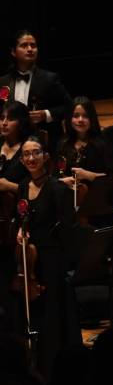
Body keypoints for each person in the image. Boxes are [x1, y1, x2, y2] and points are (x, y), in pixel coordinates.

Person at [16, 136, 81, 382]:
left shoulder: (57, 188)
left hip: (52, 259)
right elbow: (20, 218)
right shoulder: (23, 186)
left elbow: (67, 228)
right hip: (30, 259)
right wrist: (20, 230)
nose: (31, 158)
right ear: (22, 160)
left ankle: (56, 370)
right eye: (26, 155)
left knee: (53, 315)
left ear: (45, 157)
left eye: (36, 153)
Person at [0, 29, 72, 149]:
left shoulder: (50, 79)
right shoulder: (3, 82)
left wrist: (46, 114)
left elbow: (70, 106)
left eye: (33, 45)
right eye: (24, 45)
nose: (30, 49)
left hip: (43, 143)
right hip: (10, 143)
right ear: (13, 52)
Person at [56, 96, 113, 227]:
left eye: (85, 116)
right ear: (69, 119)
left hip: (97, 210)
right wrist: (62, 181)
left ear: (92, 119)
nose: (80, 120)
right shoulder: (63, 144)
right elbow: (54, 177)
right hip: (68, 208)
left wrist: (89, 176)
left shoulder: (103, 144)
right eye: (76, 116)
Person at [0, 101, 32, 336]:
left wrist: (6, 185)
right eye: (1, 118)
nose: (3, 122)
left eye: (9, 118)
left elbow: (32, 187)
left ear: (21, 123)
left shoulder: (28, 151)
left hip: (15, 224)